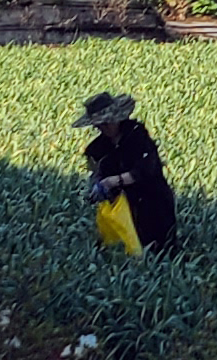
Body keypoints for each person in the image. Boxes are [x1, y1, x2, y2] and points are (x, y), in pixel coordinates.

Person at [76, 92, 179, 255]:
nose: (104, 128)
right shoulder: (97, 148)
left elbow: (145, 171)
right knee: (122, 251)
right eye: (99, 125)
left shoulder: (137, 135)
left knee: (160, 250)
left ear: (117, 118)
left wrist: (113, 181)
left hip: (153, 202)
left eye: (107, 123)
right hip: (124, 206)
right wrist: (96, 186)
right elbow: (96, 171)